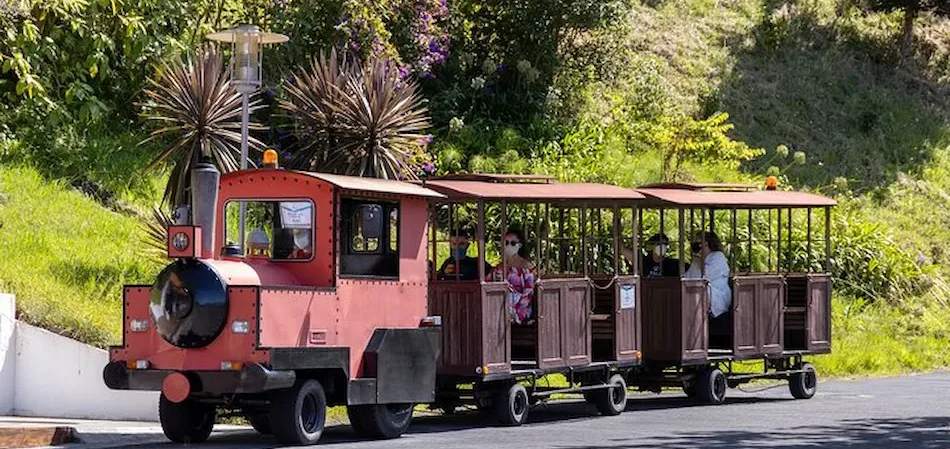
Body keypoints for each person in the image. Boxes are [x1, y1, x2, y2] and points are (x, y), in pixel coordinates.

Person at [487, 228, 536, 325]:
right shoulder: (500, 267)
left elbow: (528, 293)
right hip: (501, 303)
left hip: (520, 307)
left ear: (520, 245)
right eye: (506, 243)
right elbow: (488, 283)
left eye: (513, 243)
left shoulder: (527, 267)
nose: (509, 246)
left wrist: (516, 310)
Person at [684, 230, 731, 317]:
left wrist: (700, 261)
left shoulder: (718, 257)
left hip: (716, 295)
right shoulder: (696, 260)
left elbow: (706, 277)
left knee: (701, 291)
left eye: (698, 243)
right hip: (697, 293)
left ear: (706, 243)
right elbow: (688, 277)